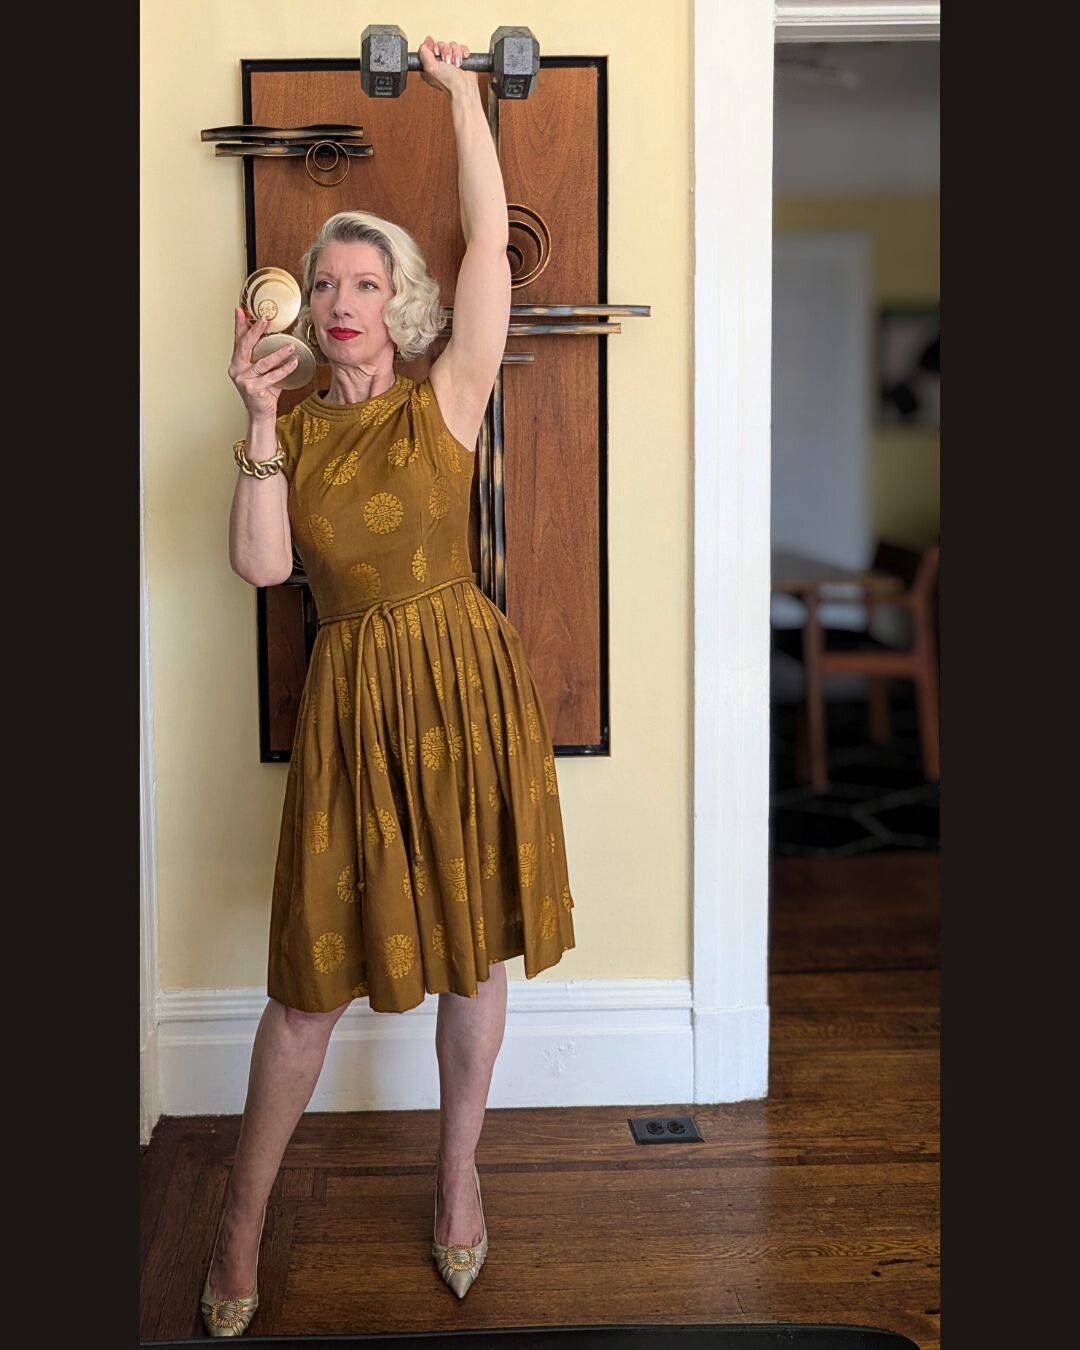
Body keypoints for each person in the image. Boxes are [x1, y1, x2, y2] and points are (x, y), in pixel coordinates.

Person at [200, 36, 577, 1336]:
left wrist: (461, 96)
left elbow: (488, 246)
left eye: (371, 278)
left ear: (400, 299)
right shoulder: (289, 433)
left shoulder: (447, 399)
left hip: (467, 696)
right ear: (298, 307)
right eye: (328, 279)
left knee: (475, 960)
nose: (349, 296)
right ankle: (241, 1222)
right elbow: (262, 569)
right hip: (354, 710)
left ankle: (459, 1173)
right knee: (305, 992)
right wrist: (253, 424)